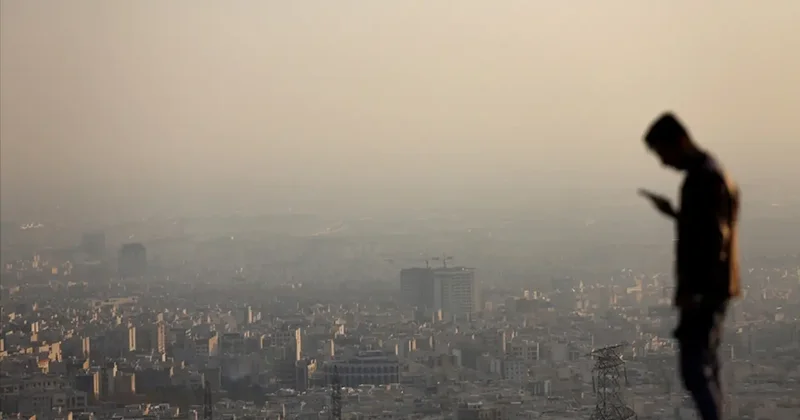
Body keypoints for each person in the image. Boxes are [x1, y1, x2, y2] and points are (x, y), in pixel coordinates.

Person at [639, 112, 741, 420]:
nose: (664, 163)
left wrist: (697, 293)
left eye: (663, 153)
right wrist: (676, 214)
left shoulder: (704, 179)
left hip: (706, 290)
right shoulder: (710, 174)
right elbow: (706, 229)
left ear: (679, 142)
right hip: (711, 288)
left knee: (696, 369)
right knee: (704, 366)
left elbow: (713, 240)